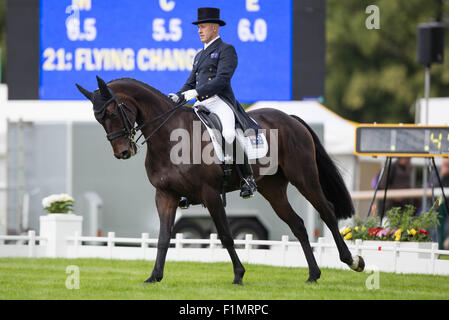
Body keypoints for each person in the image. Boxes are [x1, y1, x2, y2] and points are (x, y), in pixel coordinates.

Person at [169, 7, 259, 203]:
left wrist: (196, 93)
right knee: (187, 136)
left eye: (203, 27)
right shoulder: (199, 55)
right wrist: (178, 97)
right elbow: (190, 81)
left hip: (219, 101)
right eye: (198, 27)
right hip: (201, 104)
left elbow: (221, 80)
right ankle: (190, 187)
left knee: (227, 134)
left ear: (214, 28)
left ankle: (248, 178)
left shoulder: (226, 50)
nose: (199, 31)